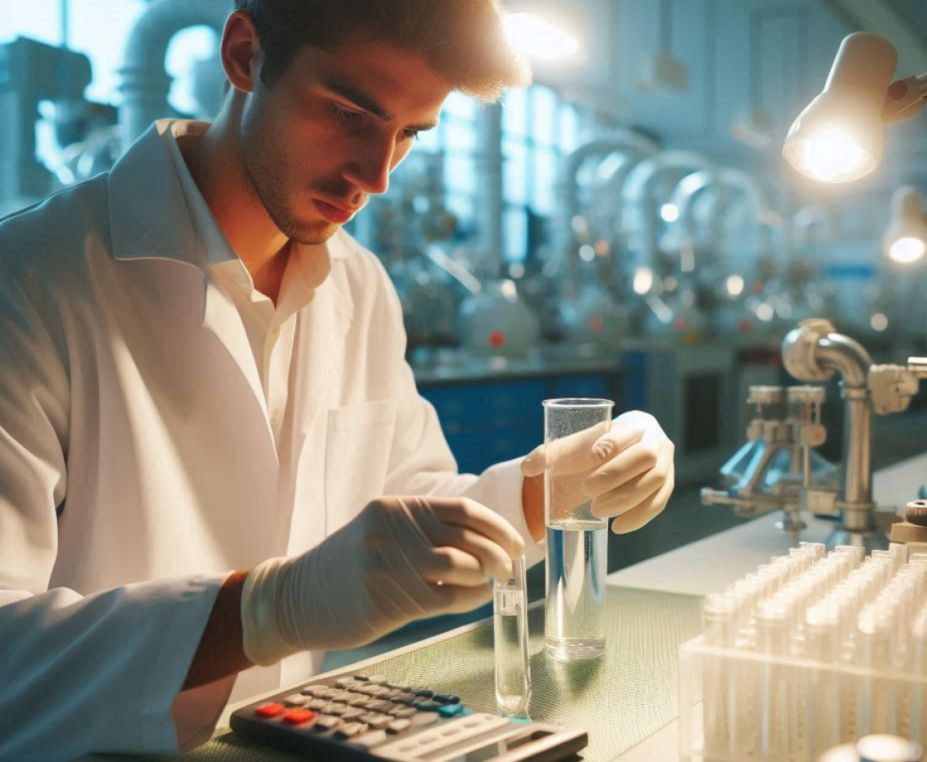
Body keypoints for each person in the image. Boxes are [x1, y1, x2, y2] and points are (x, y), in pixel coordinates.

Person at [0, 1, 675, 759]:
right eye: (353, 112)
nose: (377, 175)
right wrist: (265, 611)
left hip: (280, 740)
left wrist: (549, 488)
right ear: (246, 55)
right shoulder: (27, 281)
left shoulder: (360, 285)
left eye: (409, 135)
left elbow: (411, 508)